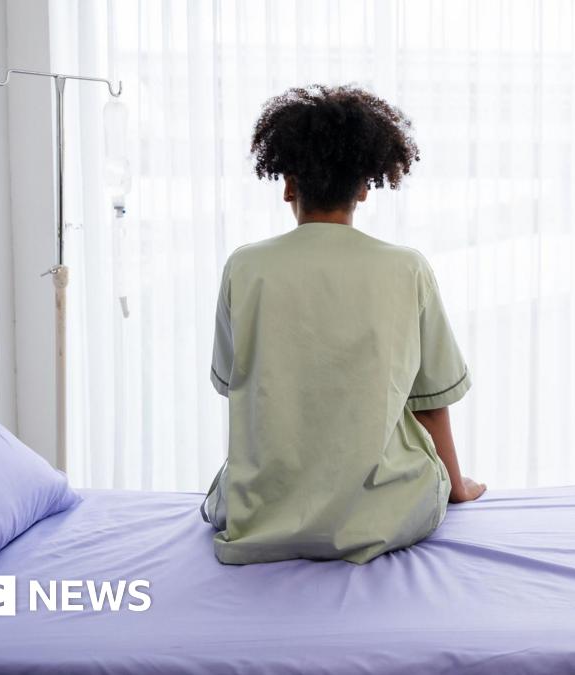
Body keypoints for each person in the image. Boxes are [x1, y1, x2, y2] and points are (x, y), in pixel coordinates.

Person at [201, 85, 485, 565]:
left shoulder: (245, 268)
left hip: (264, 511)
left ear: (288, 184)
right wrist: (456, 488)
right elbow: (431, 405)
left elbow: (235, 386)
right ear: (364, 188)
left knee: (220, 496)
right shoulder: (407, 269)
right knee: (418, 479)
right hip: (384, 512)